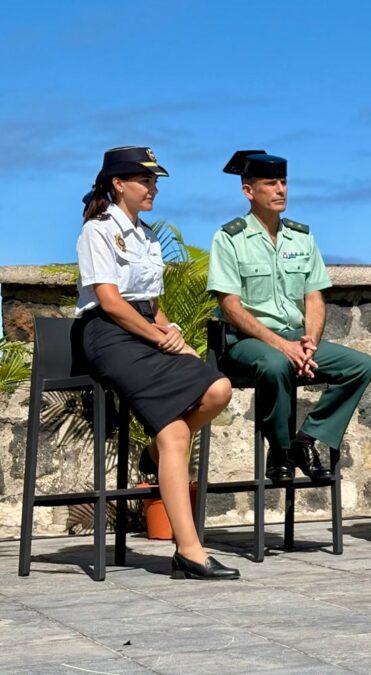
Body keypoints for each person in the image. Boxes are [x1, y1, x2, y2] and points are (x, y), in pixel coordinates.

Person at [75, 147, 238, 580]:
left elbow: (151, 303)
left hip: (144, 330)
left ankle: (151, 455)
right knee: (175, 430)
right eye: (145, 180)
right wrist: (157, 336)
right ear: (117, 184)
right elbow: (110, 301)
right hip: (110, 336)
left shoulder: (146, 235)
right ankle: (189, 550)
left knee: (218, 388)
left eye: (155, 181)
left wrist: (172, 333)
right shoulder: (98, 231)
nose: (153, 188)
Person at [207, 151, 371, 483]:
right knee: (275, 364)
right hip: (246, 342)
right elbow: (230, 307)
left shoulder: (302, 236)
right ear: (248, 191)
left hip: (296, 338)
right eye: (271, 183)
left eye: (284, 182)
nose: (281, 189)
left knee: (361, 366)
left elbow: (314, 297)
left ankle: (306, 440)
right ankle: (279, 451)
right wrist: (284, 347)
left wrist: (309, 345)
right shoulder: (229, 238)